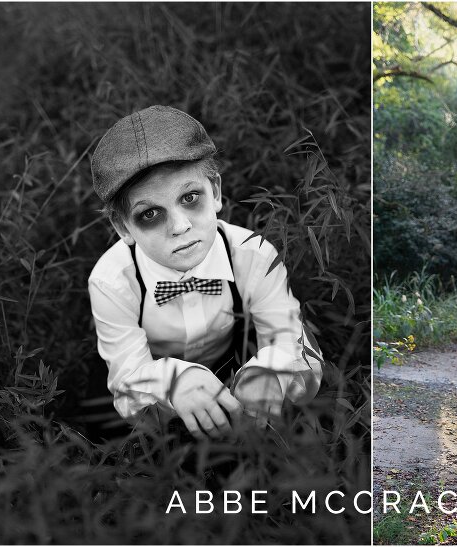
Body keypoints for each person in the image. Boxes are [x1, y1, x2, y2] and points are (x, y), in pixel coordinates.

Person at [88, 105, 322, 440]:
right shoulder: (111, 280)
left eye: (190, 197)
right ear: (123, 227)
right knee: (112, 439)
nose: (180, 226)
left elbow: (292, 340)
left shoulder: (253, 255)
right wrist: (172, 381)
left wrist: (272, 371)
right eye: (150, 213)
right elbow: (127, 379)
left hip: (233, 365)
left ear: (215, 192)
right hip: (153, 381)